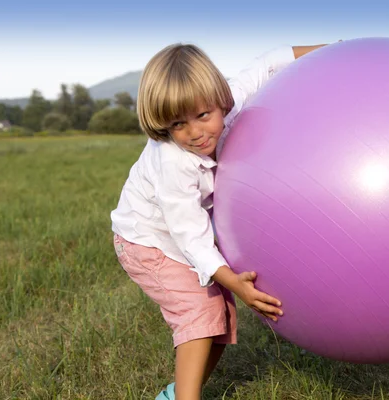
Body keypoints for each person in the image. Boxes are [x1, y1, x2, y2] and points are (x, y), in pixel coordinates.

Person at [110, 41, 331, 400]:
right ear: (163, 125)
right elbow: (190, 235)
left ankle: (177, 393)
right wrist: (236, 284)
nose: (195, 132)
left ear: (221, 102)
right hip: (147, 242)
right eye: (178, 124)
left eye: (202, 116)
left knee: (221, 320)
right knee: (200, 313)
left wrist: (332, 50)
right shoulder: (173, 162)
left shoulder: (230, 103)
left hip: (178, 239)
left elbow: (269, 63)